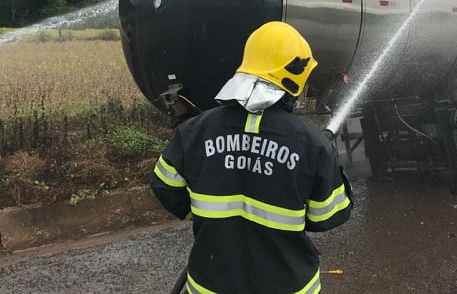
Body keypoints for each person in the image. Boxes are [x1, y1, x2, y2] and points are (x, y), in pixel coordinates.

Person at [151, 21, 353, 294]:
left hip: (210, 285)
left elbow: (164, 185)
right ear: (295, 75)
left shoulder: (193, 132)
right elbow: (328, 215)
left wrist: (209, 218)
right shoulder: (311, 145)